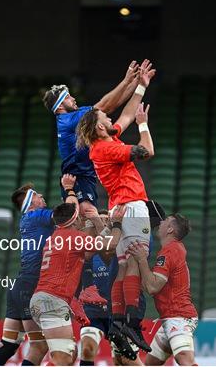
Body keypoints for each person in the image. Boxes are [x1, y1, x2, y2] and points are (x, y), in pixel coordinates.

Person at [76, 66, 156, 353]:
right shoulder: (105, 148)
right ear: (99, 127)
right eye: (104, 117)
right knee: (137, 259)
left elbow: (125, 115)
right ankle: (131, 323)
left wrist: (141, 86)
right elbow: (146, 152)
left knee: (123, 265)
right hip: (132, 205)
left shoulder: (107, 141)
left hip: (120, 207)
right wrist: (144, 127)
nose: (109, 117)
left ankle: (121, 321)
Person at [29, 182, 128, 366]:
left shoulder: (54, 237)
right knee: (63, 359)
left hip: (42, 299)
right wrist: (116, 224)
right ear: (74, 220)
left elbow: (88, 252)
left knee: (71, 354)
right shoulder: (74, 237)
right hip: (52, 301)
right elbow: (110, 245)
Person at [0, 175, 74, 366]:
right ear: (29, 204)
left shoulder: (28, 220)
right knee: (38, 346)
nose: (42, 196)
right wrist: (69, 189)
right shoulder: (37, 216)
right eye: (36, 196)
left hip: (19, 287)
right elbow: (69, 213)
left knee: (9, 345)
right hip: (32, 285)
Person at [41, 60, 149, 216]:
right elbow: (106, 106)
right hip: (77, 177)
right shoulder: (68, 121)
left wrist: (137, 83)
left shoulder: (77, 117)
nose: (73, 98)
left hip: (86, 176)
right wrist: (126, 81)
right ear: (59, 107)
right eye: (68, 97)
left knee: (89, 222)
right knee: (86, 219)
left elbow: (113, 105)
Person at [128, 214, 199, 366]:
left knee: (185, 359)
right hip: (170, 318)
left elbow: (152, 287)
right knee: (151, 364)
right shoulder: (173, 249)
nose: (160, 222)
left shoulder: (170, 251)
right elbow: (149, 285)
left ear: (170, 229)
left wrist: (141, 260)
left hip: (179, 317)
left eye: (165, 220)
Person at [78, 210, 144, 366]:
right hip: (93, 313)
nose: (102, 223)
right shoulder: (87, 252)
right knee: (87, 350)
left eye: (107, 220)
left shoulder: (119, 248)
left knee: (125, 360)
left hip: (118, 313)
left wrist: (99, 223)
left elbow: (109, 250)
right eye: (99, 221)